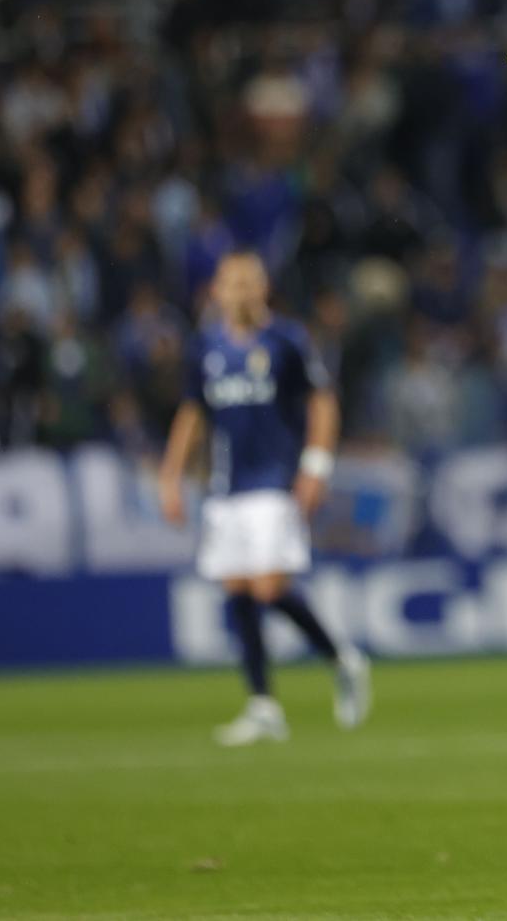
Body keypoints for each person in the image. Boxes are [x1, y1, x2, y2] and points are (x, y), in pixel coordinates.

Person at [159, 250, 372, 746]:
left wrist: (316, 466)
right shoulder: (206, 347)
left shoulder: (287, 341)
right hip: (226, 485)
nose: (243, 290)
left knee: (269, 587)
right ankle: (263, 705)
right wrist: (170, 477)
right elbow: (192, 414)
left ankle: (342, 659)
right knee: (238, 590)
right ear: (217, 291)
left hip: (275, 480)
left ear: (264, 289)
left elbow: (322, 401)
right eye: (233, 282)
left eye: (251, 281)